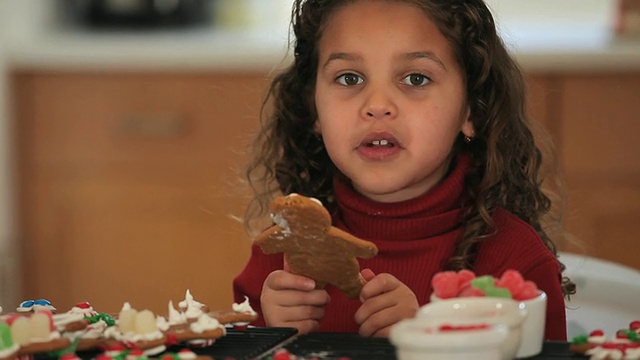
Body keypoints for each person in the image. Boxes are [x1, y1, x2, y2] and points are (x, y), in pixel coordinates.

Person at [233, 0, 575, 340]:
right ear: (314, 110)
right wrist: (269, 334)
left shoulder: (514, 263)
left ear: (472, 110)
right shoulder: (279, 258)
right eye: (349, 78)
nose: (377, 105)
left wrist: (431, 342)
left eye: (416, 78)